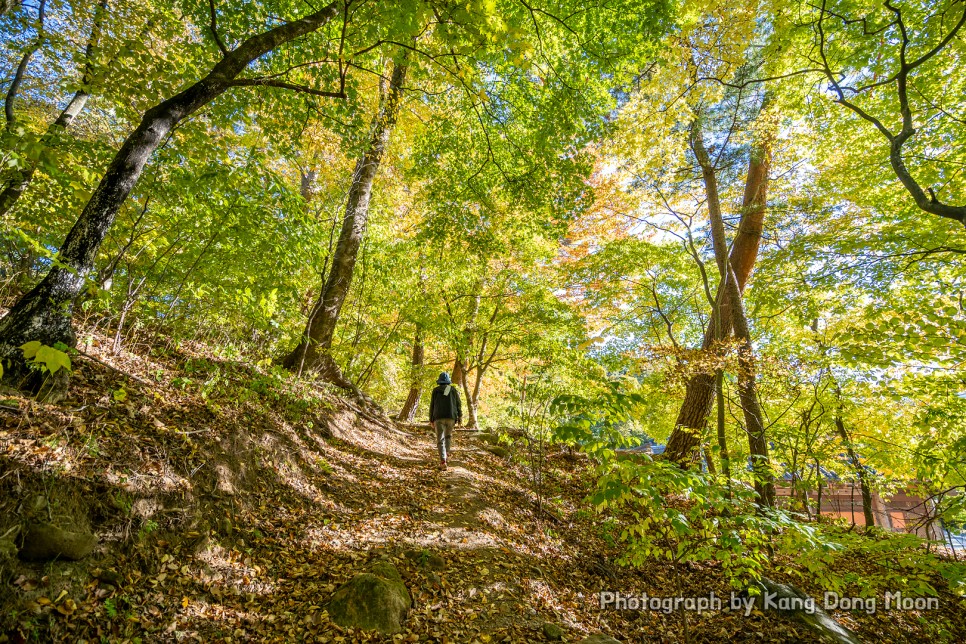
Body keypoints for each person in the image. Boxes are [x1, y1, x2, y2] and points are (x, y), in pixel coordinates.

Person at [429, 372, 462, 470]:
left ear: (439, 381)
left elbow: (432, 405)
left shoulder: (435, 390)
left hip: (438, 417)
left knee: (440, 440)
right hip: (451, 417)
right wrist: (459, 416)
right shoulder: (452, 390)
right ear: (448, 381)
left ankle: (443, 461)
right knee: (448, 437)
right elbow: (458, 404)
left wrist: (431, 419)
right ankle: (446, 455)